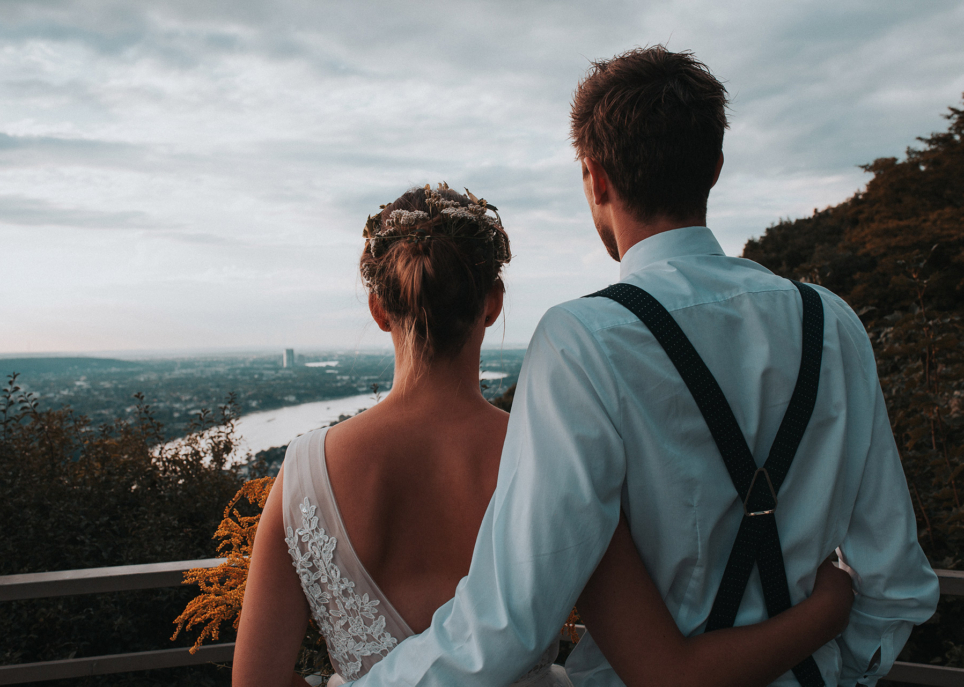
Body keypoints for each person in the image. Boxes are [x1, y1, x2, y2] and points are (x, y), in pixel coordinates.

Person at [340, 48, 941, 687]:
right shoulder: (831, 322)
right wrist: (838, 670)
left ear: (595, 178)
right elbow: (895, 579)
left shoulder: (582, 340)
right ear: (713, 169)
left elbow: (508, 622)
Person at [233, 184, 855, 687]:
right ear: (493, 304)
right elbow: (667, 672)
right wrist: (828, 609)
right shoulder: (555, 457)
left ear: (378, 308)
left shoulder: (305, 473)